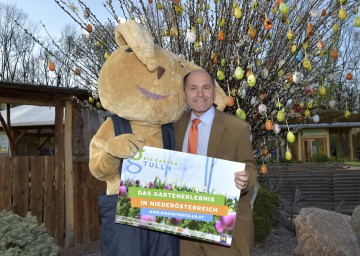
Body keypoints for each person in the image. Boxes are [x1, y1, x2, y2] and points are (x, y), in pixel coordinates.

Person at [173, 69, 258, 256]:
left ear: (214, 91)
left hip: (225, 228)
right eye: (193, 88)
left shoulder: (237, 128)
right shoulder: (174, 128)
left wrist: (246, 179)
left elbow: (250, 167)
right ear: (185, 94)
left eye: (205, 88)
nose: (200, 94)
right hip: (186, 229)